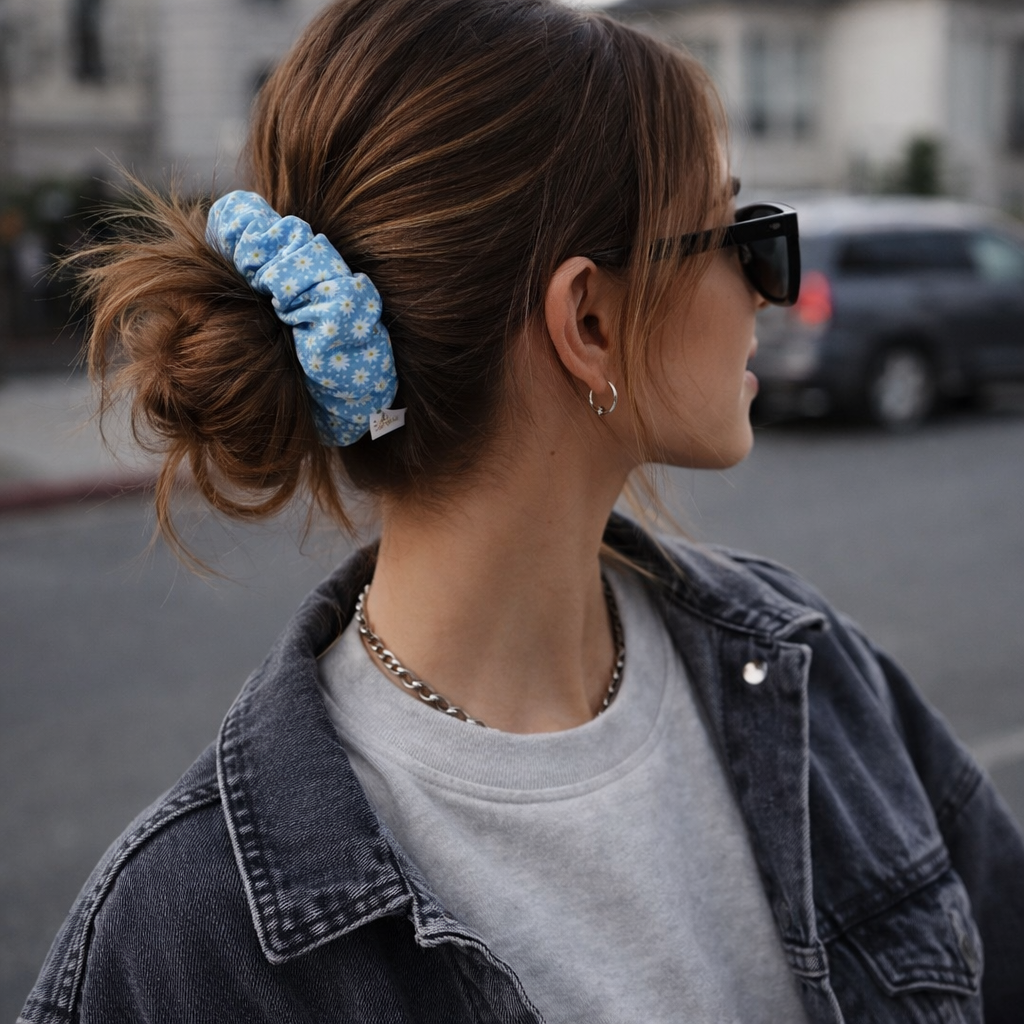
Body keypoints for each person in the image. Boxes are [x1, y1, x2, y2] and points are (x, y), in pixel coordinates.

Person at [20, 1, 1024, 1022]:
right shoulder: (180, 947)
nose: (768, 289)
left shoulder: (813, 675)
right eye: (738, 235)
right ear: (586, 319)